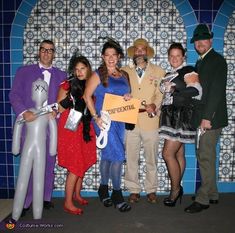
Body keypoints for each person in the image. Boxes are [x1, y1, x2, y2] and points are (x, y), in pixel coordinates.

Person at [9, 40, 66, 215]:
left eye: (50, 50)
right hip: (30, 123)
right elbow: (14, 94)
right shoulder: (24, 71)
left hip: (51, 124)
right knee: (28, 165)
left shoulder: (62, 75)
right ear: (39, 51)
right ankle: (26, 200)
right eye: (44, 50)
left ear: (54, 53)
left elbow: (64, 100)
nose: (47, 53)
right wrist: (23, 112)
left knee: (49, 163)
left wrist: (57, 112)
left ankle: (44, 197)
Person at [84, 38, 131, 212]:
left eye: (114, 55)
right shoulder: (98, 74)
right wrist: (95, 117)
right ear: (103, 57)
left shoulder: (124, 75)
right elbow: (86, 96)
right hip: (103, 120)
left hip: (120, 120)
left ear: (118, 57)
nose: (111, 58)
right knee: (118, 155)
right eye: (107, 55)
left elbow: (127, 96)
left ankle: (103, 189)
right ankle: (117, 194)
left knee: (108, 156)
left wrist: (128, 97)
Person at [184, 24, 228, 213]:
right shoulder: (202, 61)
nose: (200, 43)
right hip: (205, 117)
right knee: (207, 155)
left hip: (210, 118)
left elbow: (217, 92)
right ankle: (212, 193)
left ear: (210, 40)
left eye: (204, 39)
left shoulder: (216, 60)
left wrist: (207, 118)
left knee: (204, 156)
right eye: (197, 41)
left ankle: (203, 200)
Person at [121, 38, 165, 204]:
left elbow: (162, 93)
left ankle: (151, 189)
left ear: (147, 52)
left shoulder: (159, 72)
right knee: (131, 157)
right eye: (137, 50)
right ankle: (133, 189)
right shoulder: (124, 71)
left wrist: (155, 103)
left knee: (151, 157)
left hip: (150, 120)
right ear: (134, 53)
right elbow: (119, 91)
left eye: (143, 49)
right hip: (130, 120)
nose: (140, 52)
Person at [159, 42, 202, 207]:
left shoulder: (187, 70)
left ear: (183, 57)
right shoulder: (170, 73)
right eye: (172, 55)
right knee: (178, 154)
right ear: (168, 57)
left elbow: (196, 90)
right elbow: (167, 97)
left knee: (167, 154)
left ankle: (175, 190)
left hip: (181, 116)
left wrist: (175, 90)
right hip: (170, 115)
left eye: (178, 55)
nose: (174, 58)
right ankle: (177, 188)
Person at [57, 53, 97, 215]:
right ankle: (67, 202)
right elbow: (59, 108)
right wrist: (70, 97)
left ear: (88, 69)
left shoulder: (91, 85)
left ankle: (77, 195)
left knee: (82, 160)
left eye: (83, 68)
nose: (80, 72)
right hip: (71, 126)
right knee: (75, 164)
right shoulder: (67, 84)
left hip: (85, 126)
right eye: (77, 69)